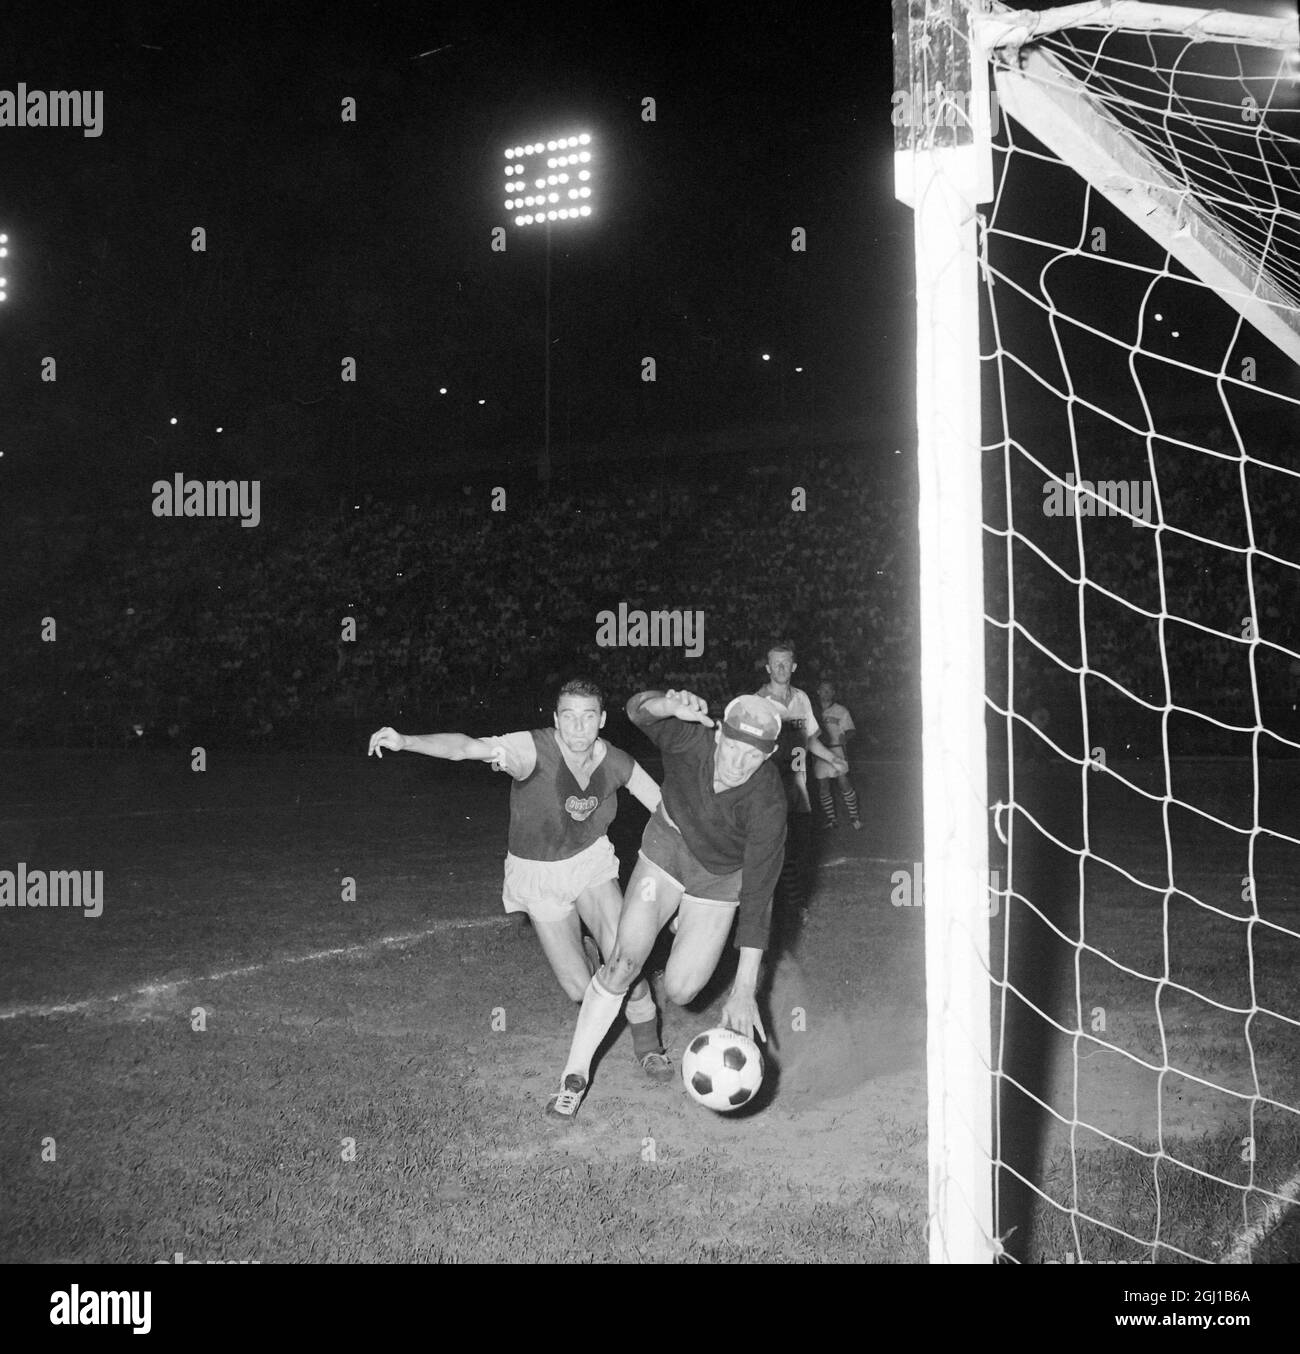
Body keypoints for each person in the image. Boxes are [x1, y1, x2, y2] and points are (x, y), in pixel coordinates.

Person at [367, 677, 672, 1079]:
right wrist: (406, 741)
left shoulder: (617, 761)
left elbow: (664, 810)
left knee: (626, 963)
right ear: (556, 719)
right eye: (568, 717)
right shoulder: (532, 748)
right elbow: (465, 748)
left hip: (590, 864)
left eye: (587, 717)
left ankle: (649, 1047)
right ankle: (591, 955)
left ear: (601, 720)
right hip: (537, 873)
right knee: (582, 991)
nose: (577, 727)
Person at [545, 690, 788, 1121]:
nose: (737, 764)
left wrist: (746, 987)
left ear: (767, 758)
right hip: (669, 847)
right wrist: (664, 704)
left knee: (681, 990)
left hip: (720, 877)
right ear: (718, 738)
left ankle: (680, 921)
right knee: (622, 962)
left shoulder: (768, 802)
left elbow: (759, 894)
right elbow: (636, 709)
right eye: (732, 748)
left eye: (752, 757)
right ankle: (573, 1077)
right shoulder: (691, 738)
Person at [755, 642, 848, 915]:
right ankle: (781, 906)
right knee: (772, 852)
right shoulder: (758, 703)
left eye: (786, 663)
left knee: (797, 850)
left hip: (798, 792)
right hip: (769, 793)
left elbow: (808, 741)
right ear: (768, 667)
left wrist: (832, 758)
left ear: (794, 667)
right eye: (776, 663)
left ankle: (791, 905)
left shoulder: (802, 699)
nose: (782, 667)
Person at [813, 679, 862, 831]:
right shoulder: (812, 711)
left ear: (833, 693)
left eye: (829, 690)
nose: (826, 693)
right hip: (820, 752)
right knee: (823, 786)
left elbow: (851, 730)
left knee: (844, 783)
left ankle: (854, 817)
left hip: (837, 750)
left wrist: (845, 737)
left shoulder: (841, 711)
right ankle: (831, 819)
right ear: (818, 691)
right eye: (823, 690)